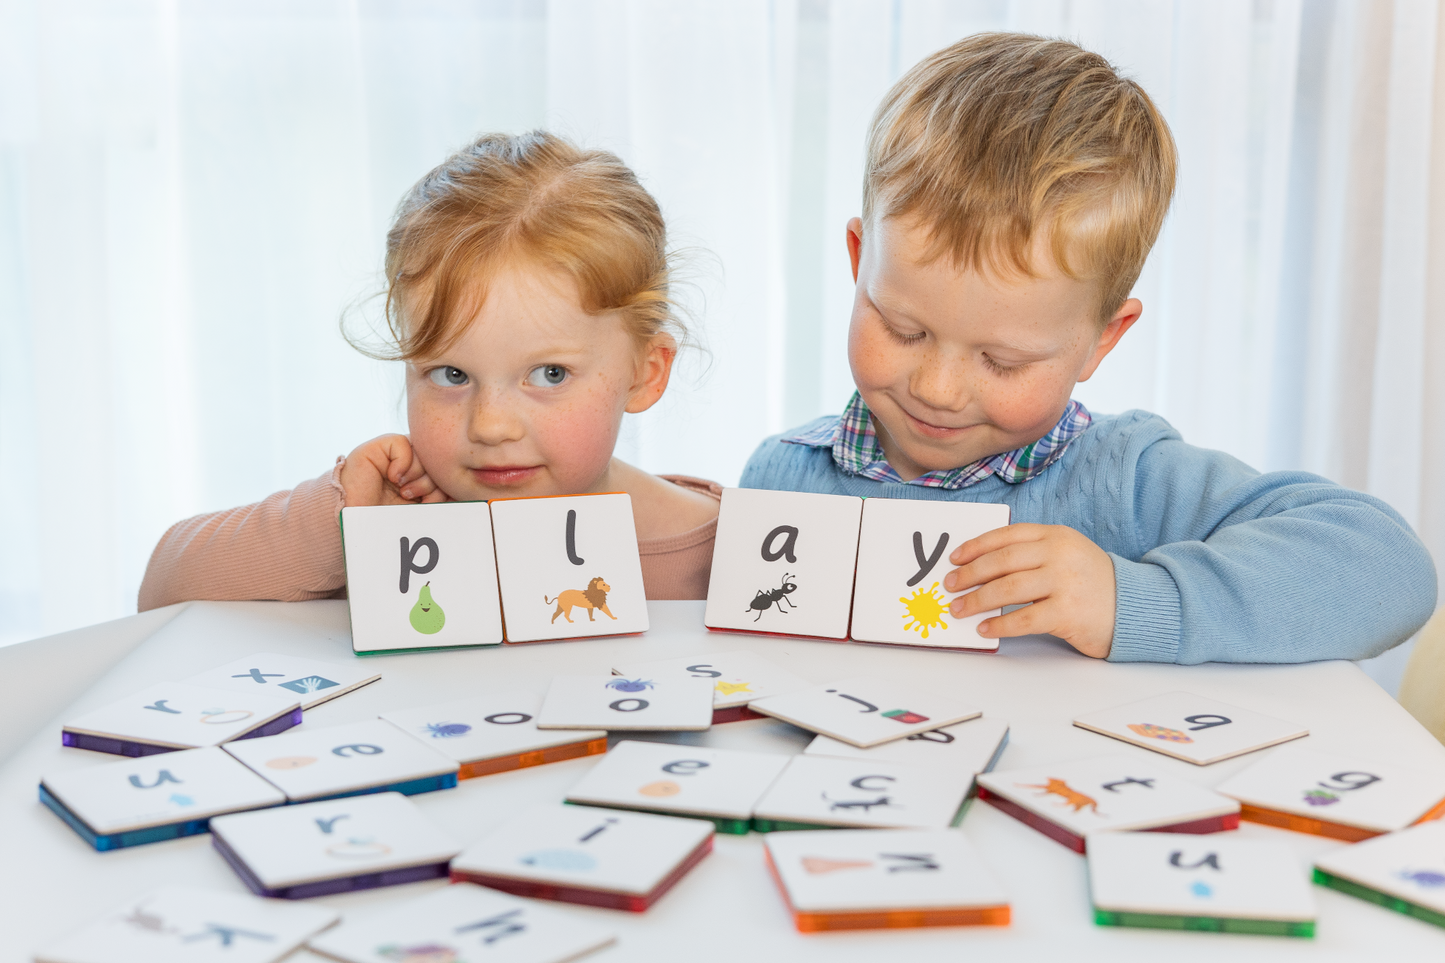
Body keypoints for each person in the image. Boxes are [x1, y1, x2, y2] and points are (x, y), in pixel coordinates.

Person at [740, 33, 1437, 663]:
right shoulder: (782, 475)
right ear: (860, 262)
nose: (938, 388)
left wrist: (1130, 598)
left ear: (1102, 340)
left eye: (1002, 361)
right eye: (902, 327)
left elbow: (1389, 569)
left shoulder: (1125, 482)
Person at [139, 131, 720, 609]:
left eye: (548, 375)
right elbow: (164, 592)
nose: (490, 427)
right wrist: (338, 523)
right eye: (451, 375)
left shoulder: (731, 549)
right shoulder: (394, 523)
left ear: (646, 374)